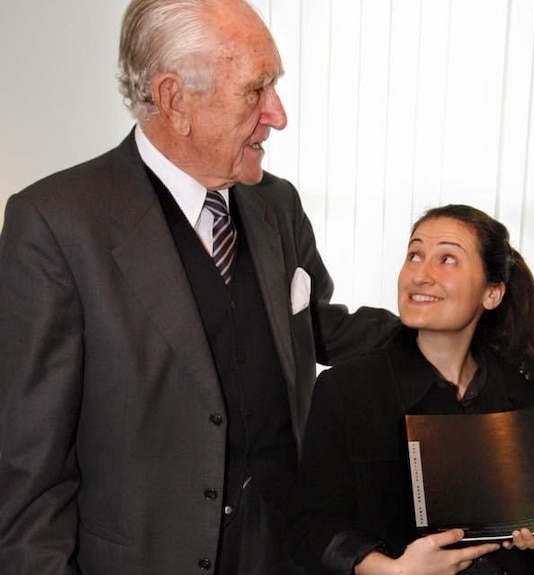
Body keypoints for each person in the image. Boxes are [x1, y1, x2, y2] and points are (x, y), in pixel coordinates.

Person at [0, 0, 397, 573]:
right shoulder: (56, 224)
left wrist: (442, 326)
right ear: (173, 99)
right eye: (255, 91)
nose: (278, 115)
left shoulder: (275, 203)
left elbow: (315, 330)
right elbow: (30, 474)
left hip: (286, 551)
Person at [287, 204, 534, 575]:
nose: (420, 274)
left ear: (492, 293)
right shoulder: (346, 390)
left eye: (447, 259)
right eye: (414, 255)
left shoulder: (521, 396)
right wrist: (388, 569)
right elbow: (309, 529)